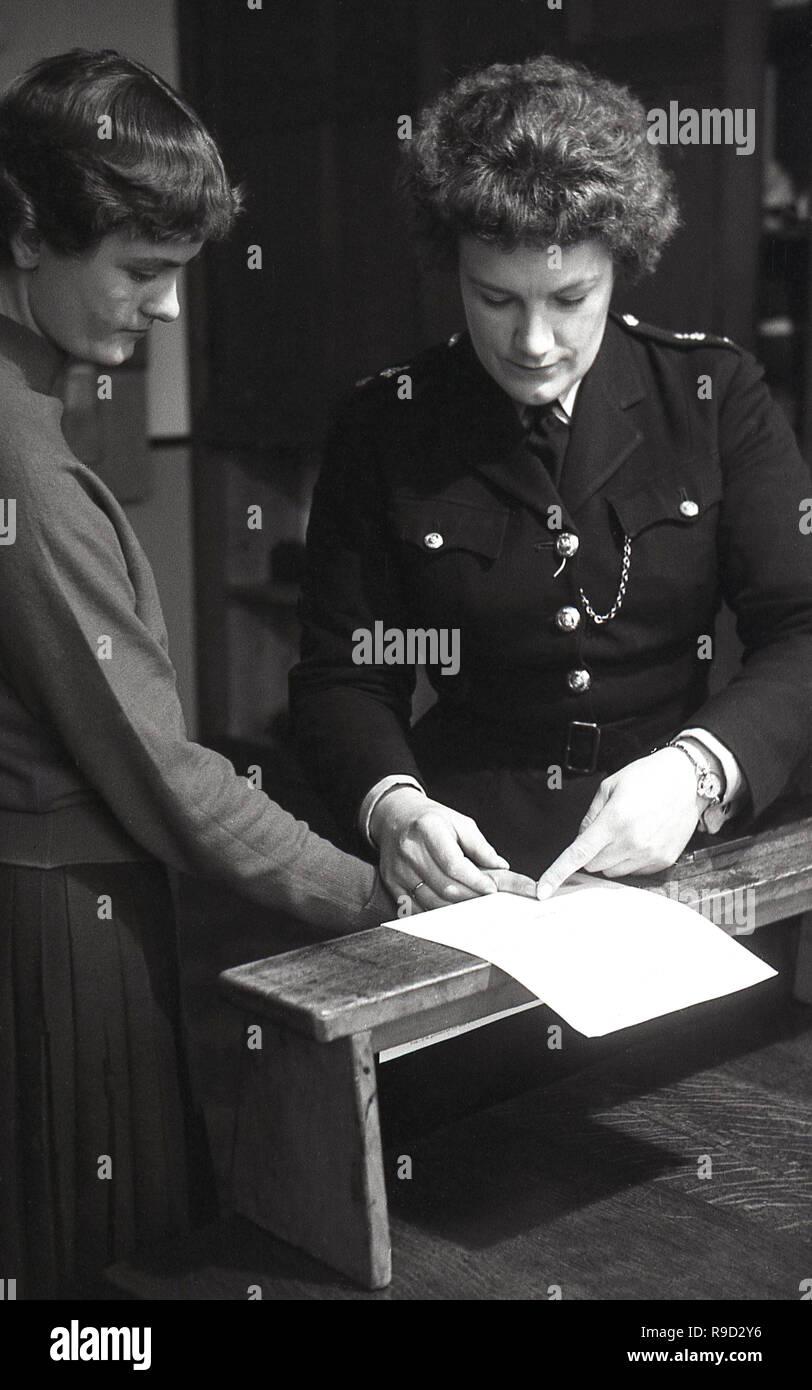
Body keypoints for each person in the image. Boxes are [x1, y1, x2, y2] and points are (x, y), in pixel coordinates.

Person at [0, 49, 533, 1301]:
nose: (171, 309)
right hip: (53, 926)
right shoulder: (19, 471)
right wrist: (383, 899)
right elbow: (164, 775)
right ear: (26, 232)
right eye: (142, 270)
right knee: (100, 1279)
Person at [289, 54, 812, 915]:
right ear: (451, 265)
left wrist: (701, 770)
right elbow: (343, 673)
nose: (533, 341)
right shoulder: (385, 424)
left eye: (570, 299)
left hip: (684, 851)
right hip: (474, 872)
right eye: (495, 299)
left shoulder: (715, 398)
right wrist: (394, 807)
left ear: (621, 263)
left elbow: (800, 629)